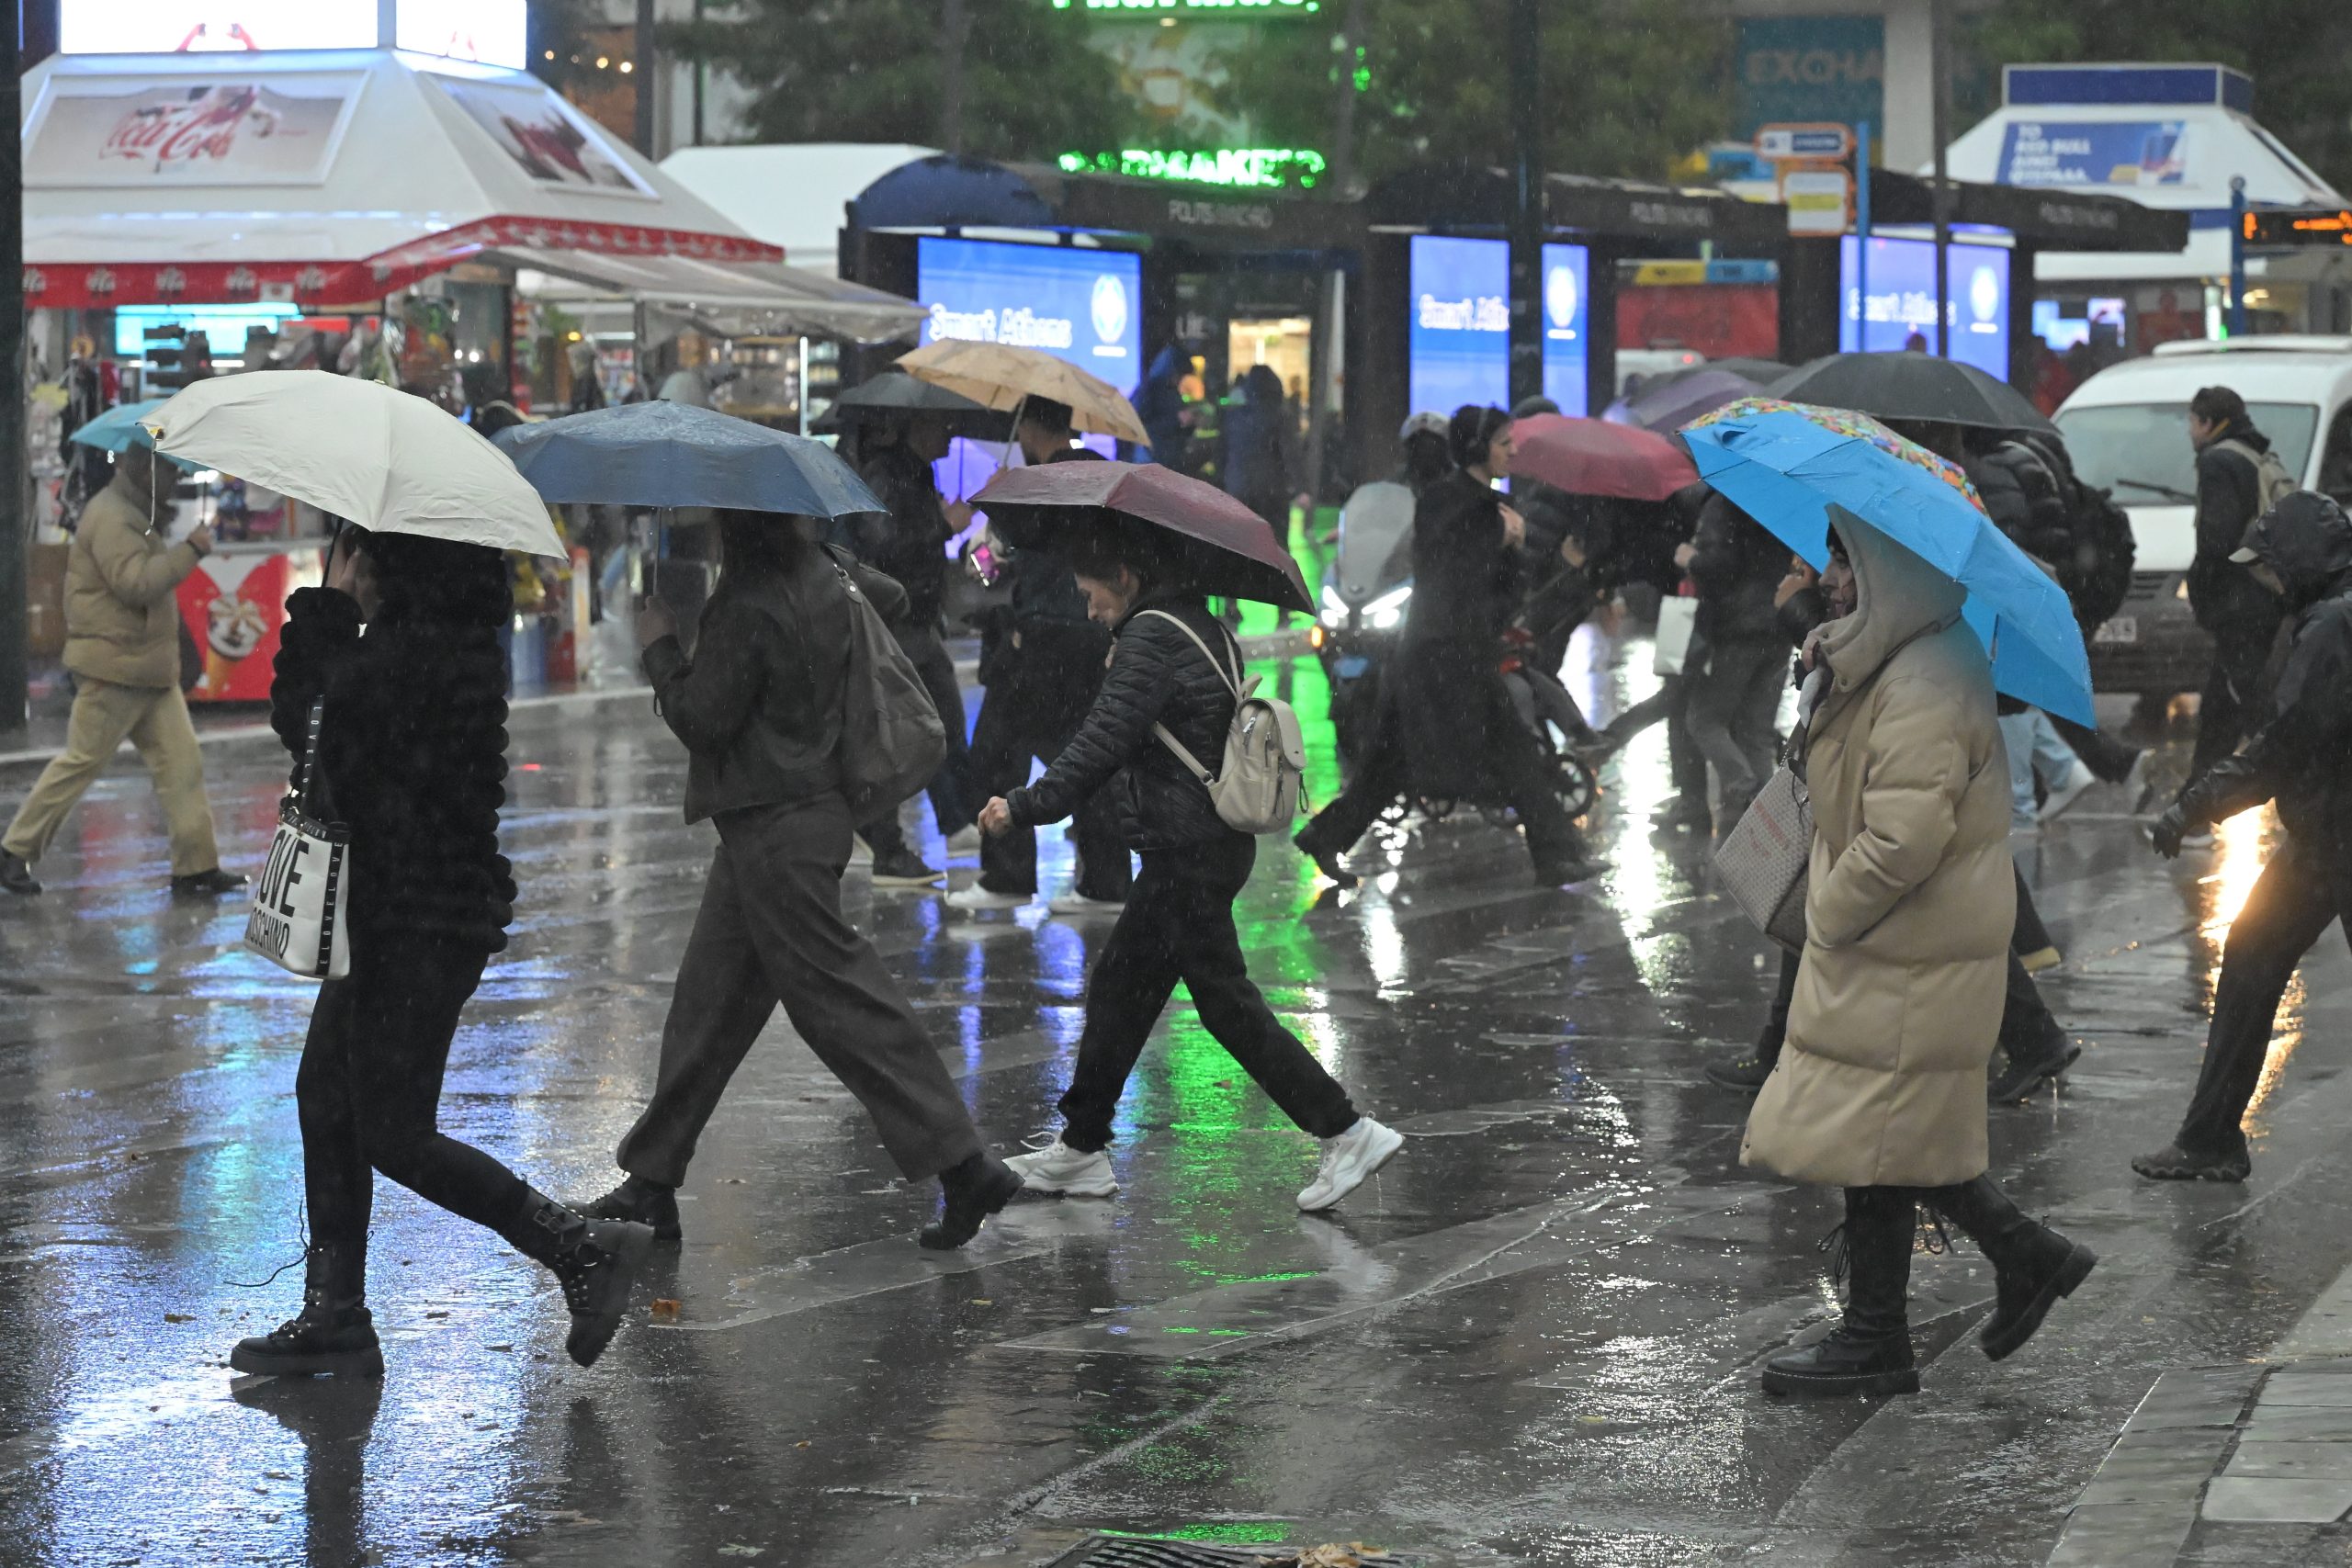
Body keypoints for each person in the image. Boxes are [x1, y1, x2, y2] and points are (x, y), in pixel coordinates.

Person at [229, 525, 654, 1379]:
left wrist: (325, 609)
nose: (359, 565)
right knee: (327, 1093)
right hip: (398, 909)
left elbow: (312, 724)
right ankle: (337, 1310)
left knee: (394, 1129)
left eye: (368, 553)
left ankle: (580, 1247)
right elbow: (329, 728)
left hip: (420, 919)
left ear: (399, 563)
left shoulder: (412, 653)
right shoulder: (433, 636)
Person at [583, 511, 1022, 1250]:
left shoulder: (750, 603)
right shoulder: (828, 569)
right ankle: (652, 1182)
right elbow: (891, 597)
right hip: (790, 819)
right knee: (708, 1005)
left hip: (775, 826)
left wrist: (659, 644)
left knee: (845, 1007)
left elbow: (704, 716)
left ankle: (965, 1163)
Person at [1744, 516, 2095, 1399]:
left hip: (1906, 942)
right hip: (1899, 945)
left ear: (1892, 567)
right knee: (1888, 1134)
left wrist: (1828, 911)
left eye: (1844, 559)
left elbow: (1902, 839)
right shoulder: (1890, 657)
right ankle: (2017, 1259)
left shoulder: (1930, 675)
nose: (1828, 576)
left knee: (1880, 1137)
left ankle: (1881, 1335)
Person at [979, 517, 1402, 1210]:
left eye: (1093, 594)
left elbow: (1101, 741)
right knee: (1122, 989)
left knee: (1226, 1006)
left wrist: (1024, 805)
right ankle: (1083, 1146)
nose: (1089, 609)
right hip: (1198, 846)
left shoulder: (1150, 637)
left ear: (1127, 577)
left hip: (1188, 852)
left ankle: (1345, 1129)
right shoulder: (1194, 625)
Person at [1707, 552, 2081, 1105]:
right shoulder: (1913, 621)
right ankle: (2029, 1045)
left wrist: (1801, 614)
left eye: (1843, 560)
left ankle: (2027, 1047)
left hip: (1896, 819)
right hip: (1885, 816)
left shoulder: (1921, 644)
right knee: (1940, 922)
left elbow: (1867, 677)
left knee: (1936, 920)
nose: (1830, 577)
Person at [2136, 493, 2352, 1183]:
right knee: (2253, 952)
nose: (2269, 581)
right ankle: (2209, 1137)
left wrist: (2192, 806)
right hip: (2326, 833)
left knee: (2253, 955)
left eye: (2272, 567)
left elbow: (2282, 746)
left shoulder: (2331, 626)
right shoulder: (2328, 615)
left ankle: (2209, 1138)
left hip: (2335, 833)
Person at [0, 446, 245, 899]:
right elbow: (135, 584)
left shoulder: (134, 512)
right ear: (145, 470)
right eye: (169, 470)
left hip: (147, 670)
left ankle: (196, 868)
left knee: (183, 766)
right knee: (80, 763)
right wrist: (191, 549)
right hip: (113, 669)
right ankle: (15, 850)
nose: (175, 479)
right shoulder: (113, 516)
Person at [948, 437, 1133, 916]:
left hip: (1036, 648)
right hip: (1089, 647)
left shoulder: (1039, 501)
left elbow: (986, 571)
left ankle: (1008, 876)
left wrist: (994, 513)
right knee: (1089, 761)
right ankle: (1105, 882)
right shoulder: (1107, 507)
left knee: (997, 756)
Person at [841, 412, 976, 888]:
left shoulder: (918, 472)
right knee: (906, 732)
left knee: (931, 727)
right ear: (917, 426)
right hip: (895, 623)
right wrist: (943, 525)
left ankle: (945, 823)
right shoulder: (887, 473)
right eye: (942, 425)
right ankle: (890, 844)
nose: (949, 430)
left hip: (916, 620)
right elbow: (883, 543)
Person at [2186, 386, 2292, 799]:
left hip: (2240, 606)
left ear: (2209, 423)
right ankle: (2192, 810)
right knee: (2224, 709)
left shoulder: (2219, 462)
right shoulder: (2254, 455)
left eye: (2192, 421)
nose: (2190, 431)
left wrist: (2202, 588)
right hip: (2261, 599)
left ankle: (2309, 785)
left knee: (2248, 710)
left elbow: (2218, 541)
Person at [1679, 490, 1791, 833]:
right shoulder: (1779, 499)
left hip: (1738, 628)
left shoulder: (1724, 502)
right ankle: (1765, 823)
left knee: (1703, 720)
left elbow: (1721, 566)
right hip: (1778, 624)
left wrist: (1690, 560)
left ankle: (1747, 791)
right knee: (1755, 732)